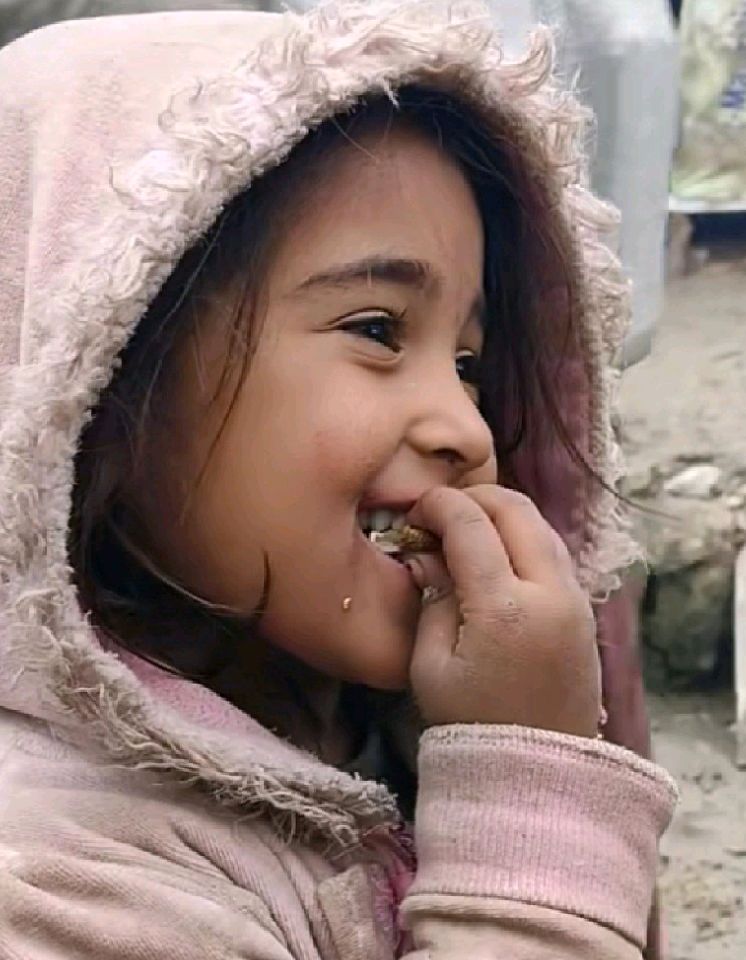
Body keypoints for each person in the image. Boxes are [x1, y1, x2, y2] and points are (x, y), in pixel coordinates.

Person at [0, 4, 677, 957]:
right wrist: (532, 808)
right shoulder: (54, 879)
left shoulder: (352, 713)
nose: (466, 429)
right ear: (98, 374)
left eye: (470, 362)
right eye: (377, 329)